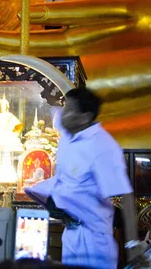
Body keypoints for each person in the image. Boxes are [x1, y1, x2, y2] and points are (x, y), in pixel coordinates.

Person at [25, 87, 138, 268]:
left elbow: (126, 196)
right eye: (64, 107)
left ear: (84, 118)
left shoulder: (103, 147)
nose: (62, 114)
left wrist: (132, 245)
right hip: (70, 233)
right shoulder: (68, 132)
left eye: (69, 110)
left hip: (93, 242)